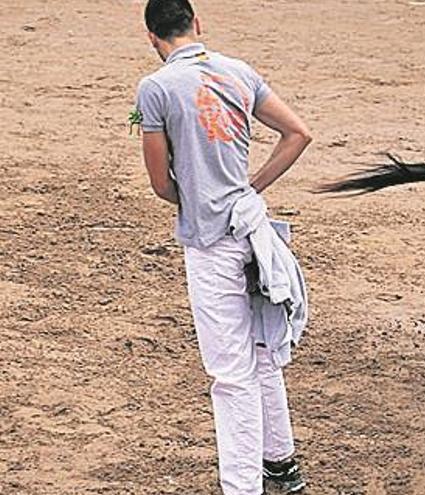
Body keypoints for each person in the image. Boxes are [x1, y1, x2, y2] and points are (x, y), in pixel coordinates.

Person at [134, 1, 312, 493]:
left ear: (152, 38)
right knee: (262, 353)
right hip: (254, 229)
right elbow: (298, 133)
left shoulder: (156, 88)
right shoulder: (239, 71)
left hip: (211, 240)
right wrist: (250, 189)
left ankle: (242, 486)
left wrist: (194, 200)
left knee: (229, 372)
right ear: (197, 25)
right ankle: (281, 462)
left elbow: (159, 181)